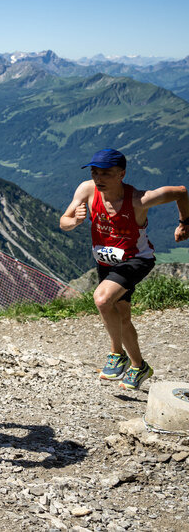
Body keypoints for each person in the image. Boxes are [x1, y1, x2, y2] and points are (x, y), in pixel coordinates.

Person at [60, 148, 188, 390]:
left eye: (106, 173)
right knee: (122, 317)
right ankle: (139, 366)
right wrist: (75, 220)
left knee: (101, 299)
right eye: (95, 172)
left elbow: (180, 192)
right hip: (106, 262)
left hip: (136, 259)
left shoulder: (140, 200)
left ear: (121, 174)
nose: (98, 178)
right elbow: (63, 222)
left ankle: (116, 354)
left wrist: (184, 223)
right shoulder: (87, 190)